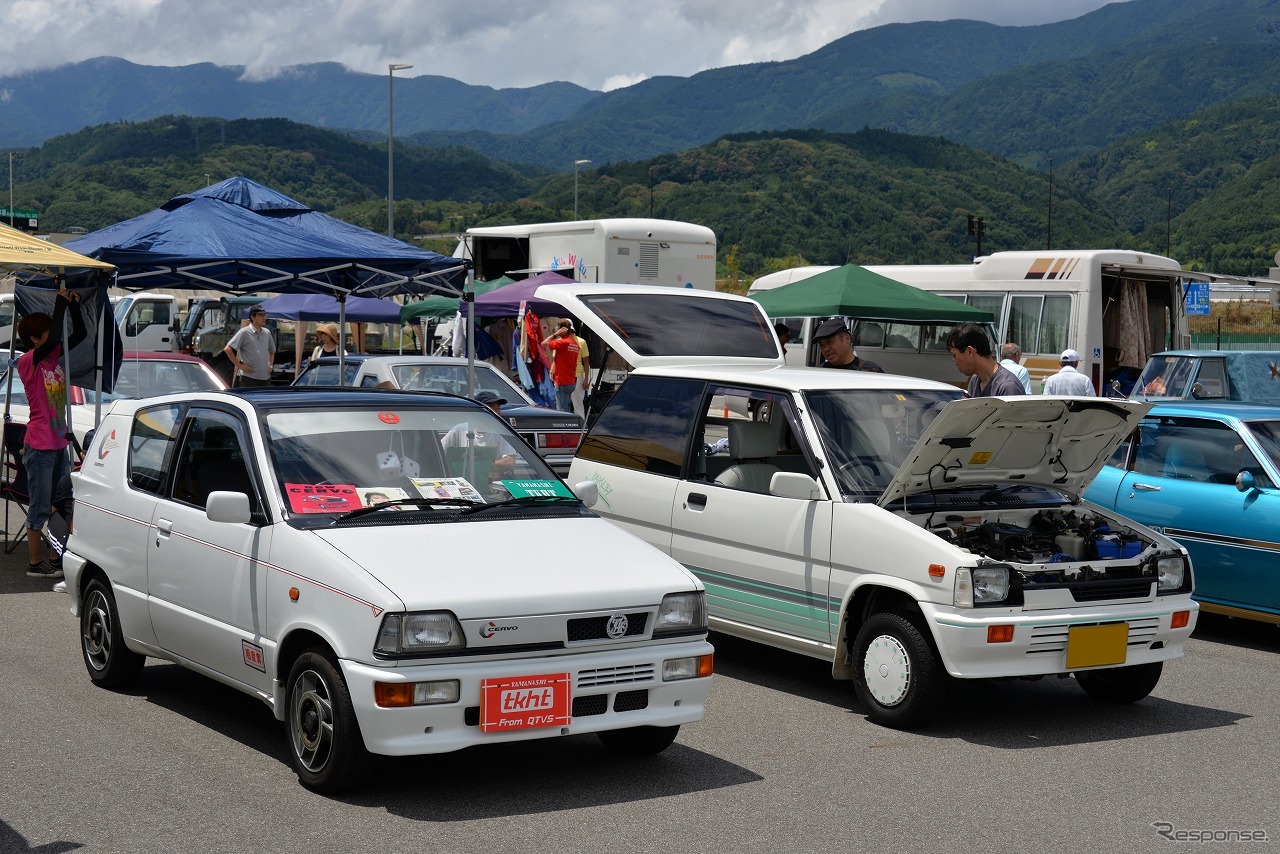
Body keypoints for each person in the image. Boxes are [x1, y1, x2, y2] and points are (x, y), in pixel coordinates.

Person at [15, 287, 87, 578]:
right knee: (41, 506)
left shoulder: (53, 358)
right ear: (34, 339)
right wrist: (59, 302)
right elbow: (56, 336)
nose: (51, 337)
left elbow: (78, 336)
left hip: (58, 442)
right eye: (45, 333)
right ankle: (35, 564)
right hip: (40, 444)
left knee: (62, 503)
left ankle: (56, 558)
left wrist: (74, 307)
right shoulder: (28, 361)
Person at [440, 390, 519, 475]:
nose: (497, 413)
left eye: (498, 408)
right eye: (491, 409)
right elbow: (439, 452)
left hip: (491, 484)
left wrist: (482, 465)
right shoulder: (460, 429)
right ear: (477, 411)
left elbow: (510, 462)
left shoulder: (501, 432)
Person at [946, 321, 1027, 397]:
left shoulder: (1007, 386)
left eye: (954, 356)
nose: (955, 363)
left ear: (970, 352)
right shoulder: (975, 381)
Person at [223, 305, 275, 387]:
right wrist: (240, 365)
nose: (264, 318)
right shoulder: (244, 332)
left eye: (264, 315)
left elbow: (272, 351)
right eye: (260, 315)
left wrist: (271, 365)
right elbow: (227, 349)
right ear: (252, 317)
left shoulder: (267, 333)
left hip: (265, 378)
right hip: (248, 379)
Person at [813, 318, 883, 372]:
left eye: (829, 342)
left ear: (847, 339)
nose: (826, 349)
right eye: (821, 345)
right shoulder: (819, 373)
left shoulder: (870, 371)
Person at [542, 319, 581, 412]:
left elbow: (543, 343)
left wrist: (556, 334)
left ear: (562, 329)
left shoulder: (563, 343)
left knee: (562, 412)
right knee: (567, 409)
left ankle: (566, 427)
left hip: (562, 381)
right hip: (571, 381)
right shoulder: (575, 344)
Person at [569, 321, 591, 418]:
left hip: (577, 375)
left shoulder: (581, 342)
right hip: (565, 376)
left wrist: (586, 379)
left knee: (577, 403)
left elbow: (586, 362)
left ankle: (581, 425)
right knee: (566, 404)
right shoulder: (560, 342)